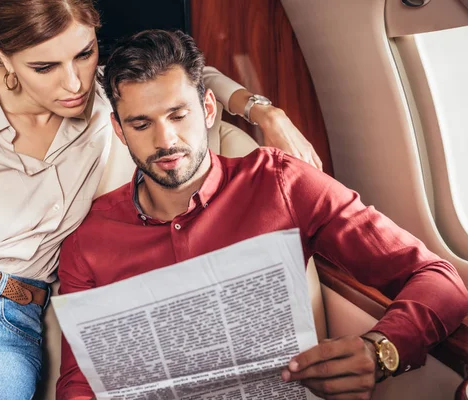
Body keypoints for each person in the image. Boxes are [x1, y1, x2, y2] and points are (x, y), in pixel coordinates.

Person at [0, 1, 321, 399]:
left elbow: (189, 74)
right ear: (0, 54)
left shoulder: (112, 103)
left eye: (84, 53)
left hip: (2, 328)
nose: (74, 84)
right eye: (44, 67)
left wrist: (265, 111)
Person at [56, 29, 468, 400]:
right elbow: (79, 382)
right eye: (142, 124)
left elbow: (439, 279)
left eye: (178, 115)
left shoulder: (283, 183)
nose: (166, 141)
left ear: (209, 109)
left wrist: (381, 350)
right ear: (119, 130)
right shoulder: (88, 243)